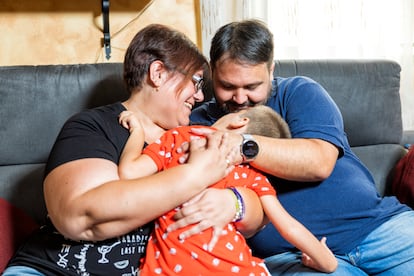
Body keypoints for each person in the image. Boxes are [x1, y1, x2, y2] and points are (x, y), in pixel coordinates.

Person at [3, 24, 257, 276]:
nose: (200, 97)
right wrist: (195, 176)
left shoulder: (197, 137)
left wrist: (235, 202)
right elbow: (83, 215)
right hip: (55, 269)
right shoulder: (92, 126)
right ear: (158, 73)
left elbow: (257, 208)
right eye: (196, 81)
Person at [190, 19, 414, 275]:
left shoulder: (298, 92)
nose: (240, 99)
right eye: (227, 86)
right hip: (292, 255)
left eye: (252, 87)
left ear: (270, 70)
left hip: (380, 229)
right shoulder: (198, 121)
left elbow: (319, 163)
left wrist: (242, 145)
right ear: (212, 72)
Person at [118, 105, 337, 275]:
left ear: (240, 121)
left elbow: (128, 172)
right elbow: (289, 227)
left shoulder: (179, 138)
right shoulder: (252, 178)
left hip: (168, 269)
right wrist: (325, 261)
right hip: (235, 268)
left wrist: (137, 131)